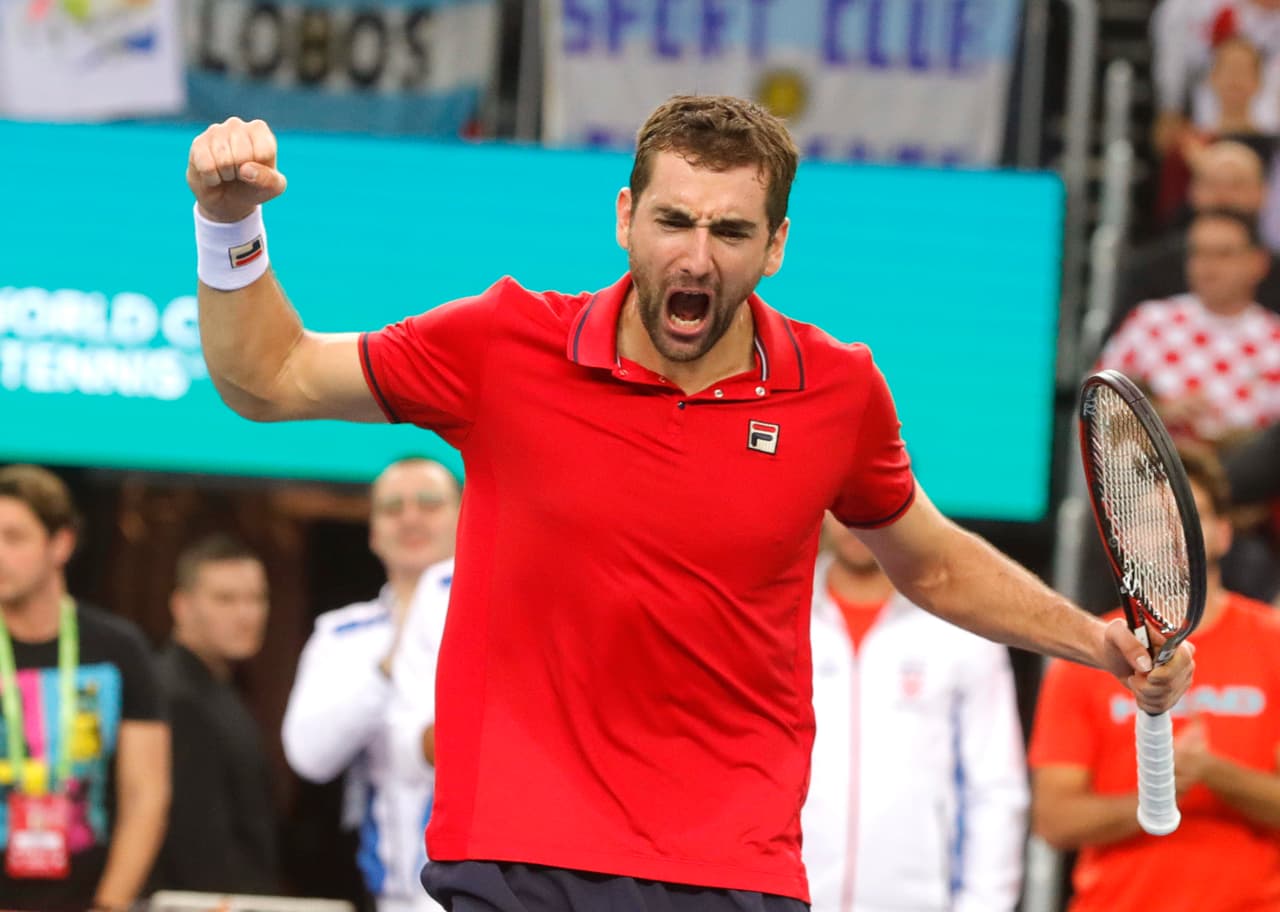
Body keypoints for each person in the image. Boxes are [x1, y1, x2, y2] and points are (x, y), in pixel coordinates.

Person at [186, 95, 1193, 912]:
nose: (696, 256)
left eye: (729, 230)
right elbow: (266, 377)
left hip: (730, 869)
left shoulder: (838, 389)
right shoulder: (501, 345)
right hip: (514, 855)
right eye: (672, 220)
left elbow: (925, 558)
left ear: (775, 246)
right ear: (624, 218)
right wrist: (228, 222)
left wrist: (1090, 640)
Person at [1028, 445, 1280, 911]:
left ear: (1224, 533)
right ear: (1123, 541)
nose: (1171, 532)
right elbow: (1053, 819)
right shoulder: (1088, 654)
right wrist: (1162, 794)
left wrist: (1213, 773)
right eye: (1150, 517)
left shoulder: (1274, 645)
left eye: (1189, 514)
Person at [802, 515, 1028, 912]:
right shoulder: (780, 613)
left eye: (867, 503)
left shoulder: (960, 625)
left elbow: (995, 788)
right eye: (842, 505)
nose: (856, 521)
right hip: (786, 898)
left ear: (902, 509)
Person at [282, 458, 459, 912]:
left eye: (429, 503)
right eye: (393, 507)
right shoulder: (342, 634)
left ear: (464, 516)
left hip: (488, 887)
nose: (411, 517)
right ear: (373, 531)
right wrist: (387, 663)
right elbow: (309, 755)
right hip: (387, 893)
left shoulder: (508, 615)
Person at [0, 464, 169, 912]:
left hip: (89, 894)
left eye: (14, 538)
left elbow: (146, 794)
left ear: (61, 543)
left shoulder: (117, 647)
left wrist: (108, 905)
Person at [152, 533, 278, 894]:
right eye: (225, 599)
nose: (246, 614)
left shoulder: (219, 689)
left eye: (257, 598)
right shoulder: (177, 697)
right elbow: (198, 845)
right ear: (182, 605)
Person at [1098, 207, 1280, 445]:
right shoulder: (1150, 322)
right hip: (1155, 468)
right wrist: (1160, 412)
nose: (1208, 267)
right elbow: (1097, 403)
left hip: (1246, 474)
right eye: (1198, 253)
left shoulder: (1274, 337)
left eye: (1223, 254)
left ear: (1259, 262)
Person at [1115, 140, 1280, 338]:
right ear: (1192, 191)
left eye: (1236, 184)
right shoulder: (1150, 270)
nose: (1223, 196)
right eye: (1212, 184)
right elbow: (1112, 358)